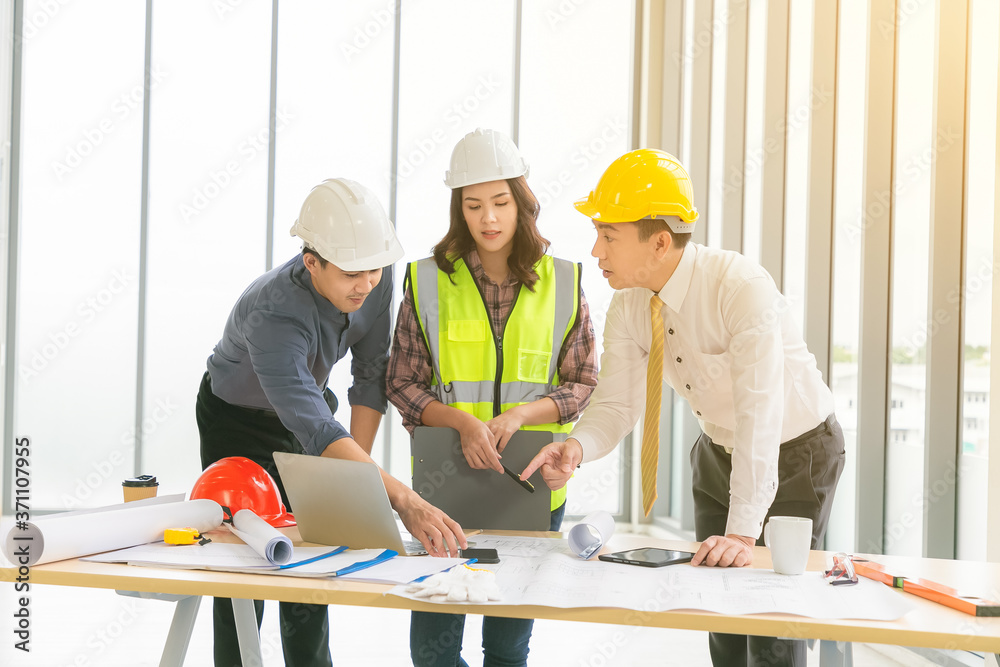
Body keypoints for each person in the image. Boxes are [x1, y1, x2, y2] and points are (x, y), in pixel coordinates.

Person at [522, 149, 845, 667]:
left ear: (659, 242)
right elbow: (618, 404)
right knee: (715, 608)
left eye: (609, 235)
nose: (596, 250)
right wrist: (577, 446)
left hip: (797, 452)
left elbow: (760, 416)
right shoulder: (630, 302)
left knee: (770, 615)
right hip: (718, 451)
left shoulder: (739, 287)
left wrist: (743, 531)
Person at [196, 178, 468, 667]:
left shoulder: (375, 279)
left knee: (315, 548)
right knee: (246, 553)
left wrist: (355, 479)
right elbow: (318, 432)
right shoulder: (274, 313)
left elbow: (368, 378)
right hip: (237, 419)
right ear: (312, 262)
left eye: (374, 269)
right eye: (351, 273)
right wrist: (402, 498)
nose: (366, 284)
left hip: (312, 411)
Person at [386, 128, 598, 667]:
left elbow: (581, 382)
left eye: (501, 202)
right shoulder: (426, 281)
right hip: (444, 491)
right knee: (433, 654)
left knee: (508, 651)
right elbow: (401, 381)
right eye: (473, 205)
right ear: (459, 208)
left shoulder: (566, 283)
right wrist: (459, 421)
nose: (488, 218)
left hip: (529, 490)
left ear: (522, 203)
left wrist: (524, 414)